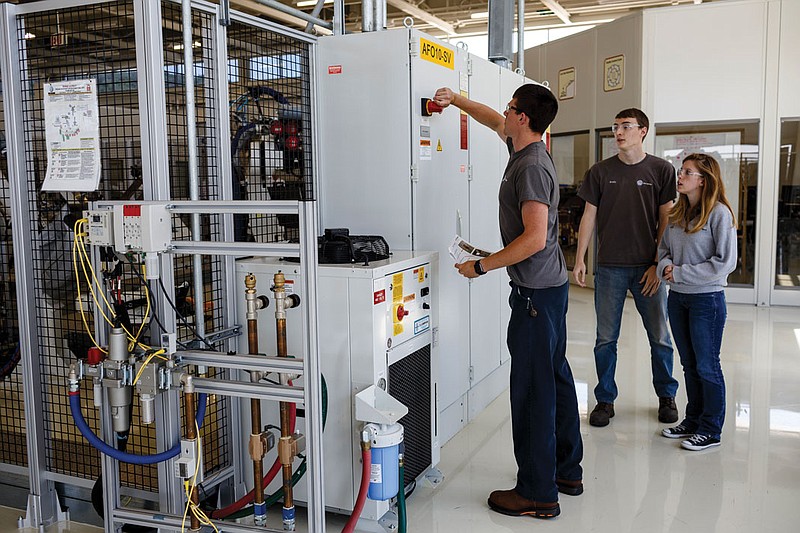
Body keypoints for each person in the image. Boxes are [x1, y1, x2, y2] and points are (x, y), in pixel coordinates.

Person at [433, 84, 582, 519]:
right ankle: (566, 471)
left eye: (510, 107)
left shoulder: (531, 166)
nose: (504, 111)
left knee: (533, 391)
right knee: (554, 380)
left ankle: (537, 493)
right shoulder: (524, 146)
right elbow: (488, 119)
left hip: (535, 296)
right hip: (548, 291)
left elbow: (534, 238)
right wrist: (456, 100)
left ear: (524, 118)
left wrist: (484, 266)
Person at [573, 108, 680, 427]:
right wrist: (580, 258)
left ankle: (666, 395)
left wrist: (657, 264)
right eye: (615, 126)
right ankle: (605, 399)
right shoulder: (600, 171)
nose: (618, 132)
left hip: (649, 269)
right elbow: (588, 216)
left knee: (660, 336)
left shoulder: (662, 170)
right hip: (610, 269)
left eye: (626, 126)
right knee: (605, 338)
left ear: (643, 131)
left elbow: (667, 219)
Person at [657, 153, 737, 451]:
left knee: (707, 365)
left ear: (703, 180)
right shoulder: (677, 214)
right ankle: (692, 420)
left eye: (687, 172)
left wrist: (677, 272)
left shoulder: (719, 214)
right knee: (689, 365)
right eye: (681, 171)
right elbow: (664, 249)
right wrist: (665, 268)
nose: (680, 176)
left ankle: (711, 429)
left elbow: (724, 263)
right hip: (678, 299)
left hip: (707, 302)